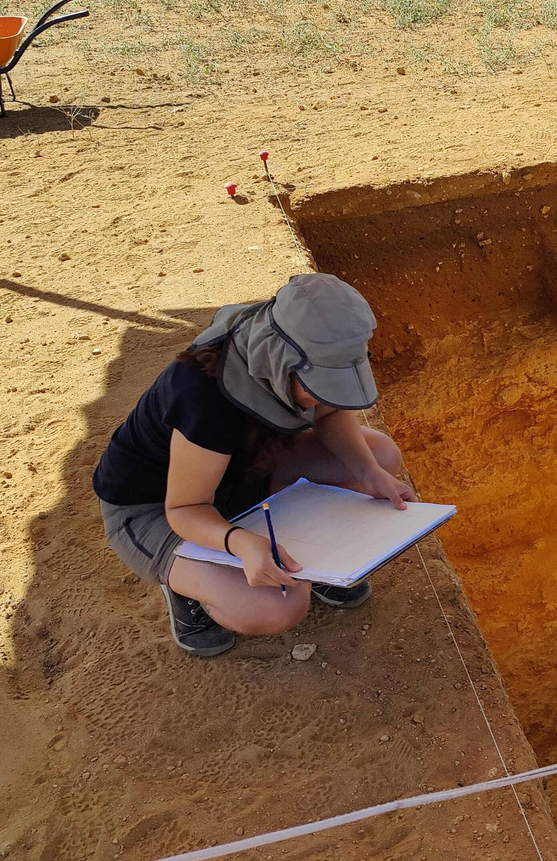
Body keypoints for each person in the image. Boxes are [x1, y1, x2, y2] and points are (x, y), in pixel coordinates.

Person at [91, 273, 416, 657]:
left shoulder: (290, 347)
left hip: (245, 472)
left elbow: (329, 415)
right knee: (275, 607)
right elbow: (185, 507)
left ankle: (322, 565)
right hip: (160, 508)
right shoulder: (204, 398)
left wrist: (368, 473)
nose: (327, 395)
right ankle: (186, 585)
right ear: (281, 363)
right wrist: (240, 543)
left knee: (379, 457)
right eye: (322, 383)